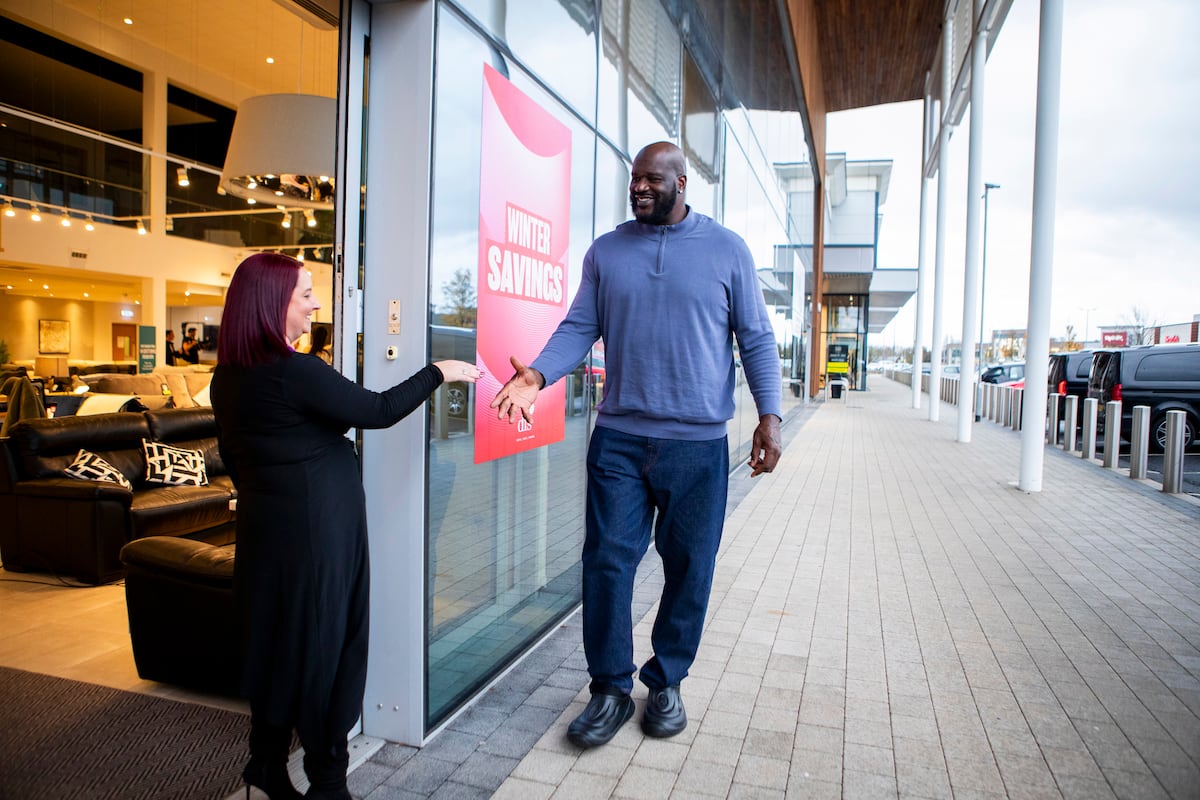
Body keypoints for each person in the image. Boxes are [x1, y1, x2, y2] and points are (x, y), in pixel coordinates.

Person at [490, 141, 782, 749]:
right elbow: (578, 328)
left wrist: (770, 416)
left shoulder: (727, 251)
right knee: (606, 563)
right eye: (634, 180)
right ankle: (609, 688)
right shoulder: (606, 252)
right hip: (620, 439)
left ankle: (667, 679)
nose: (639, 188)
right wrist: (537, 375)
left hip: (697, 447)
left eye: (652, 179)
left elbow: (755, 338)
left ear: (682, 183)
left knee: (689, 568)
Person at [209, 253, 480, 799]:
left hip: (267, 539)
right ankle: (328, 783)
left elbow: (236, 461)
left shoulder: (227, 379)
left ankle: (264, 762)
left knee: (279, 648)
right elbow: (377, 410)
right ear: (272, 303)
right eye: (305, 293)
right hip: (317, 543)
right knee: (326, 651)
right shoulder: (295, 373)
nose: (314, 304)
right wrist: (440, 372)